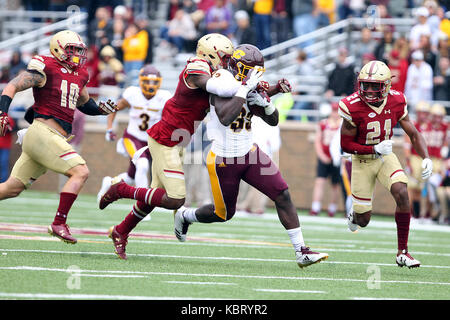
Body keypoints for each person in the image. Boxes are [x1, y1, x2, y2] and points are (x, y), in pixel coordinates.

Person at [98, 33, 253, 260]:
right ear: (210, 53)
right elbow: (222, 89)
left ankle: (121, 231)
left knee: (153, 196)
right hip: (165, 139)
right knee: (176, 198)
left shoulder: (211, 70)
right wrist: (243, 84)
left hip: (177, 141)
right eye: (224, 57)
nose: (226, 62)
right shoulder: (197, 66)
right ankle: (121, 189)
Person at [174, 44, 328, 268]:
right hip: (224, 158)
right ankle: (185, 215)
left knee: (282, 193)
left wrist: (267, 104)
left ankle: (301, 251)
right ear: (236, 66)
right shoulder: (221, 79)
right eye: (247, 70)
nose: (252, 75)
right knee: (223, 213)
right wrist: (245, 89)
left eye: (255, 71)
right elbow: (226, 116)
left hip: (249, 153)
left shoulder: (249, 83)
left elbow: (273, 121)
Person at [0, 30, 118, 244]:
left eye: (80, 51)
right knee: (81, 172)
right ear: (58, 49)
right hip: (42, 132)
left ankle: (58, 223)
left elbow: (84, 103)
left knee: (11, 188)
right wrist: (2, 111)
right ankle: (59, 223)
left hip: (53, 137)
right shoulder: (45, 66)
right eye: (73, 51)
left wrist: (101, 110)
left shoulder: (80, 75)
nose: (78, 56)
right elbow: (13, 85)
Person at [338, 60, 433, 268]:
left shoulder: (397, 100)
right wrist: (373, 149)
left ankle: (403, 252)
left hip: (385, 158)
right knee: (364, 220)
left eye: (375, 86)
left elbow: (414, 133)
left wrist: (426, 156)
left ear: (387, 85)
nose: (369, 90)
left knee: (401, 191)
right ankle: (355, 215)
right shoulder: (351, 105)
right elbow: (345, 145)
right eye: (366, 85)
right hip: (362, 159)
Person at [97, 65, 172, 203]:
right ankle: (142, 203)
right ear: (140, 81)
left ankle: (110, 182)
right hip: (133, 137)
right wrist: (109, 128)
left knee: (132, 176)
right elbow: (114, 108)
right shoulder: (133, 94)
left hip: (151, 141)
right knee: (143, 165)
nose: (150, 85)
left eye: (154, 82)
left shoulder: (164, 97)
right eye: (147, 81)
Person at [310, 102, 342, 217]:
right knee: (319, 182)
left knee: (335, 185)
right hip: (324, 157)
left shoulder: (342, 125)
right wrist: (321, 155)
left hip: (337, 158)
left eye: (336, 111)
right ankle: (315, 207)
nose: (335, 113)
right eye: (333, 111)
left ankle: (332, 208)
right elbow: (318, 140)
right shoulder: (323, 123)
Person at [418, 103, 448, 223]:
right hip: (428, 159)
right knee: (424, 186)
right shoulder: (426, 127)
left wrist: (445, 148)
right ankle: (423, 214)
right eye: (435, 116)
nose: (437, 119)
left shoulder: (446, 127)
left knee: (435, 184)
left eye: (440, 116)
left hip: (439, 160)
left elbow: (446, 141)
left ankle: (434, 211)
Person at [403, 101, 431, 219]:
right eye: (421, 113)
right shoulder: (412, 125)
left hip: (424, 159)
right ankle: (410, 214)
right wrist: (408, 161)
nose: (423, 115)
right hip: (414, 158)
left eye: (425, 113)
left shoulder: (431, 127)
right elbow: (406, 145)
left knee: (420, 189)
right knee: (410, 188)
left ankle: (419, 214)